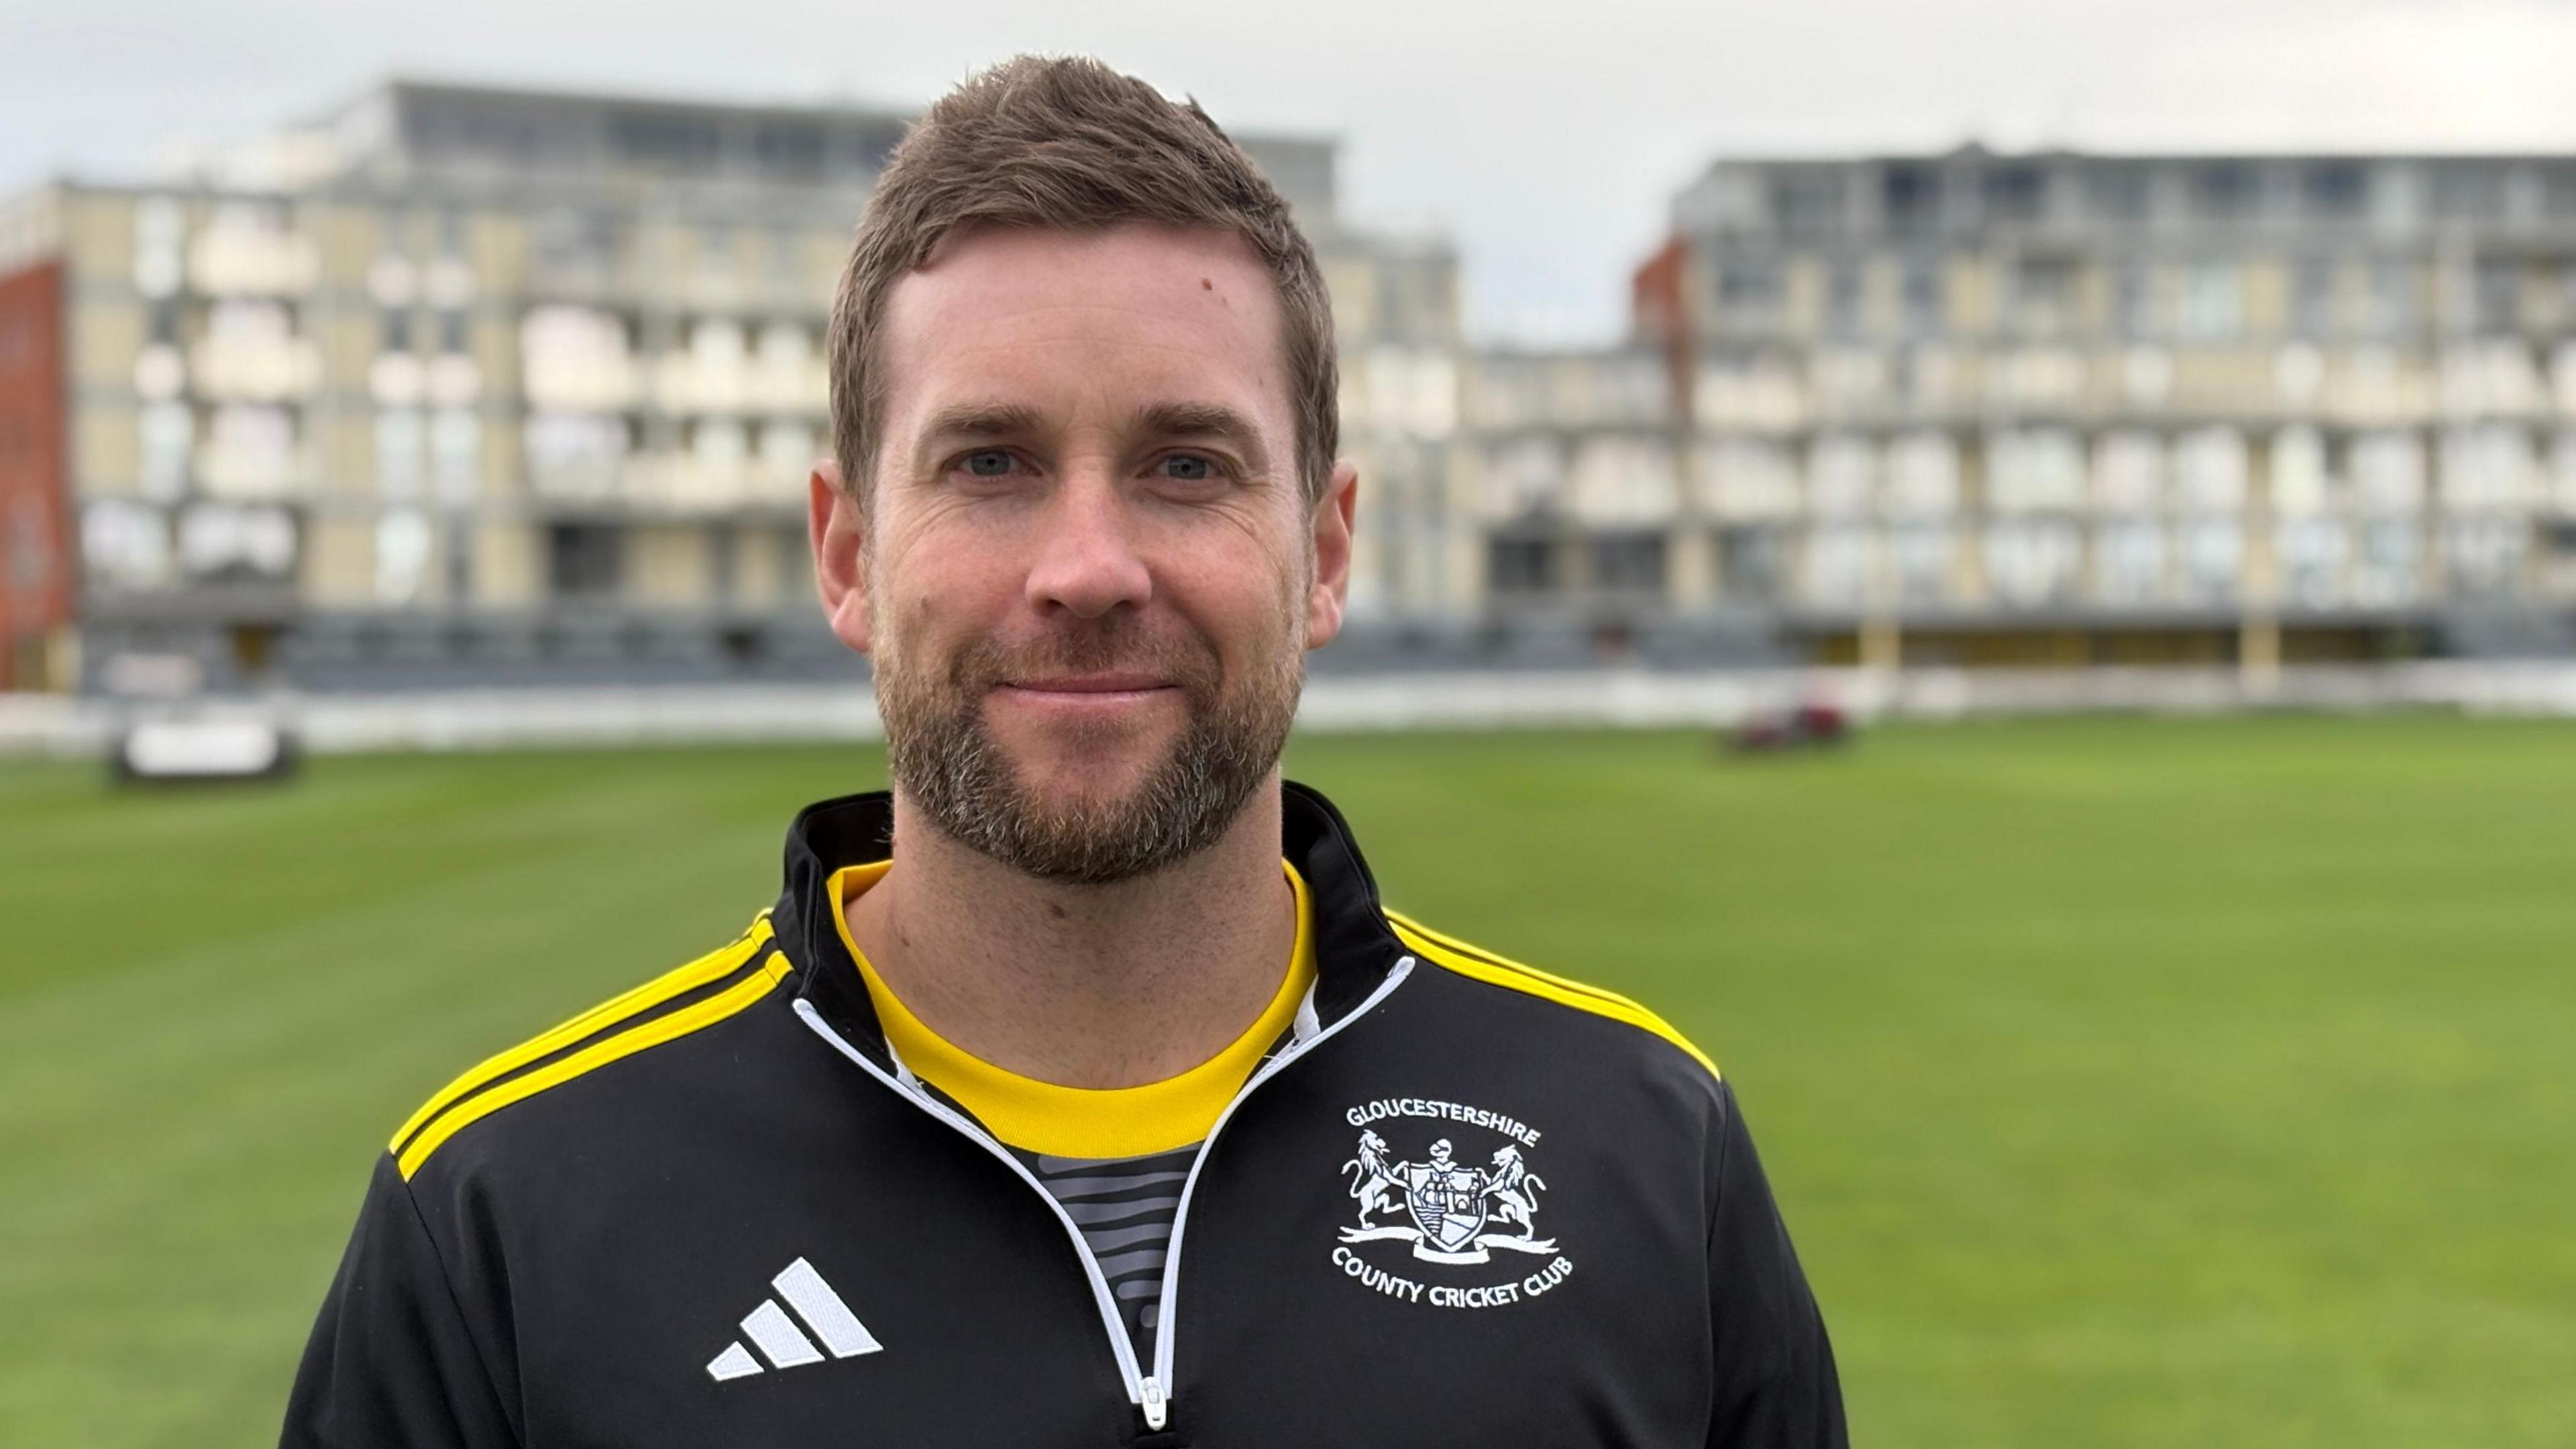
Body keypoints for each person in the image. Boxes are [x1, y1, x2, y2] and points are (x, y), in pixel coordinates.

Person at [281, 56, 1844, 1448]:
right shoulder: (503, 1221)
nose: (1088, 566)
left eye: (1184, 463)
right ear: (846, 554)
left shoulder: (1642, 1146)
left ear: (1327, 550)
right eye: (990, 462)